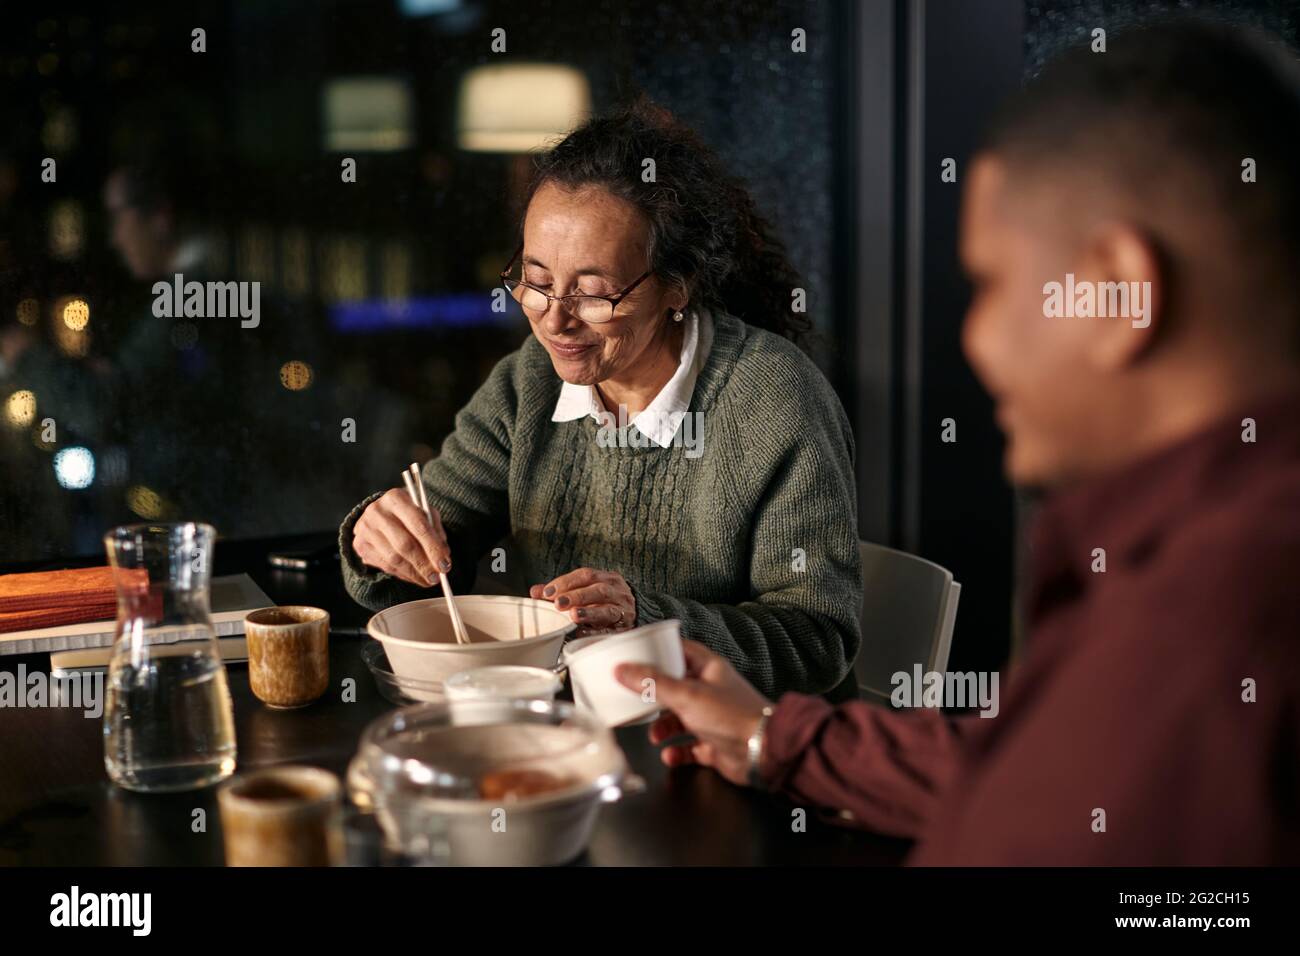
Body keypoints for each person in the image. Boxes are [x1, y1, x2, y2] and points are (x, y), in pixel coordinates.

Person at [614, 20, 1300, 864]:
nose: (975, 339)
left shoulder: (1204, 625)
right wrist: (771, 737)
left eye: (992, 284)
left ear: (1119, 292)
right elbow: (1050, 770)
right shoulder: (1203, 565)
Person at [341, 102, 862, 699]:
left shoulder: (772, 401)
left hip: (722, 747)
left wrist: (649, 625)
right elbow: (428, 564)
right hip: (563, 729)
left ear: (677, 286)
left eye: (593, 294)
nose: (554, 321)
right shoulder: (529, 384)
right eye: (535, 281)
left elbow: (819, 642)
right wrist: (382, 541)